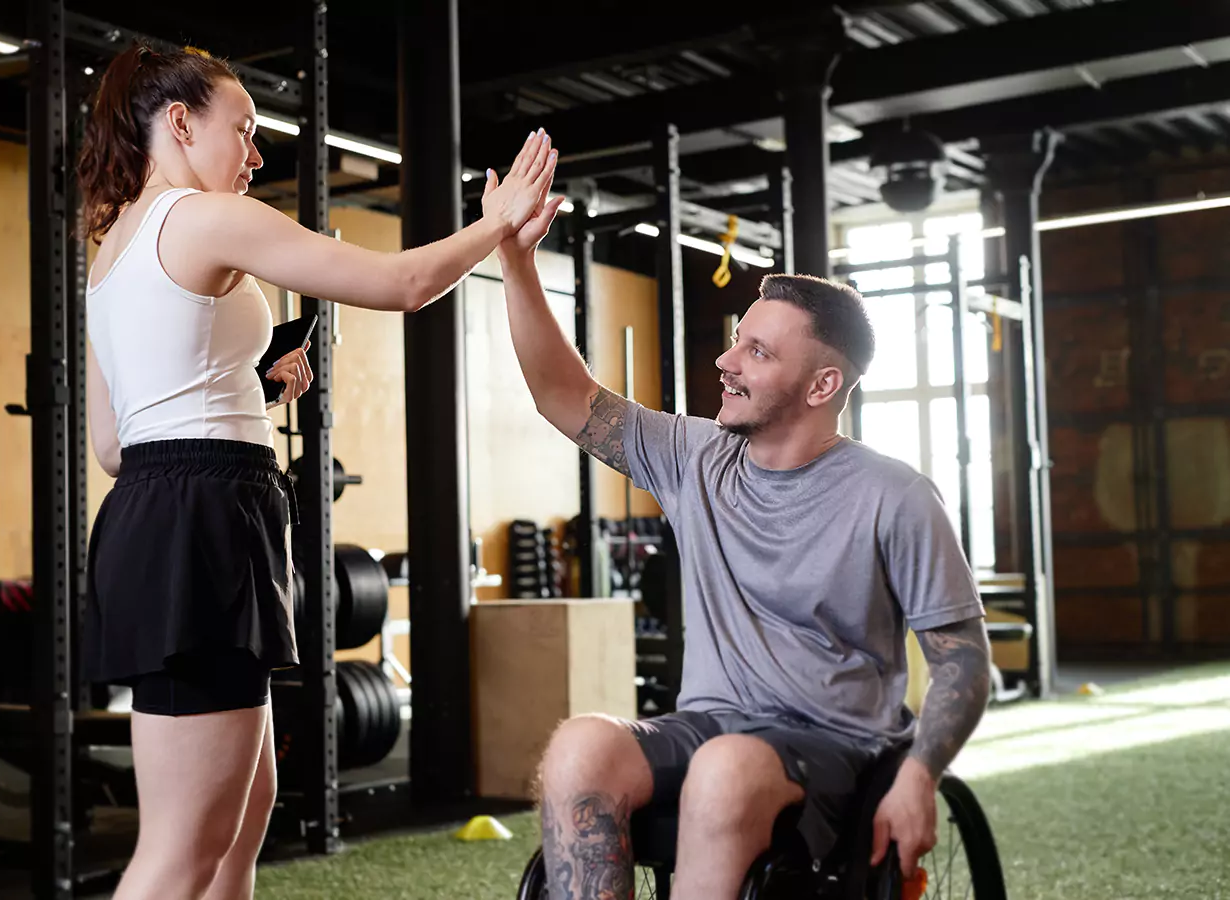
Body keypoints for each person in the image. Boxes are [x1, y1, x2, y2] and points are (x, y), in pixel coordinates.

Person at [78, 42, 561, 900]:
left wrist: (252, 394)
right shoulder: (206, 216)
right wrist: (498, 223)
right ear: (180, 123)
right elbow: (403, 283)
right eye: (244, 129)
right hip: (204, 521)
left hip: (163, 511)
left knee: (242, 817)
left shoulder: (110, 253)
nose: (256, 154)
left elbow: (115, 449)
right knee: (183, 848)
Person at [491, 183, 992, 899]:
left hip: (839, 748)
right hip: (709, 727)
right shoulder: (695, 458)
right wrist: (515, 261)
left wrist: (919, 776)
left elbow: (963, 660)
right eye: (737, 340)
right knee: (580, 747)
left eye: (757, 351)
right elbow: (561, 394)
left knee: (726, 766)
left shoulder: (896, 496)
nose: (727, 361)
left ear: (821, 385)